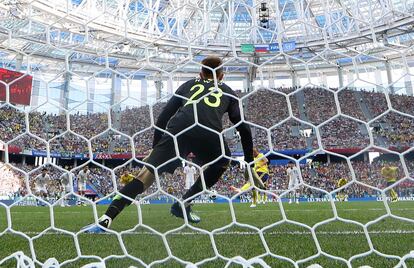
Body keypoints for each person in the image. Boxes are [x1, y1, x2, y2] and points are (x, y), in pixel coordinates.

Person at [82, 56, 254, 232]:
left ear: (200, 74)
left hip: (178, 130)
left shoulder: (188, 85)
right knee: (222, 162)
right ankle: (184, 202)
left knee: (145, 177)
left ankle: (106, 219)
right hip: (208, 132)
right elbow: (245, 129)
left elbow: (163, 117)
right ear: (222, 76)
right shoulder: (228, 91)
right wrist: (249, 163)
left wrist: (156, 148)